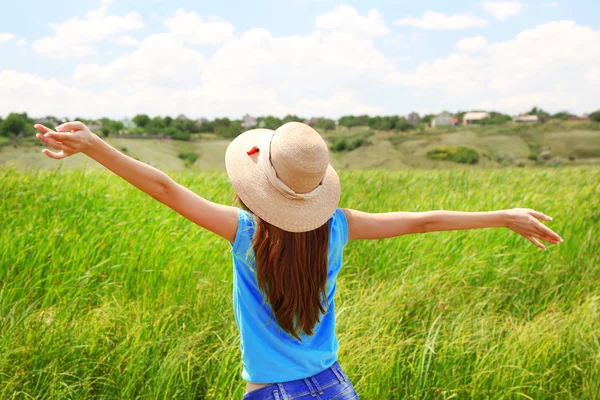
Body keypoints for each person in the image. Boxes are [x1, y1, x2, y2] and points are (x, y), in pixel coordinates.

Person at [34, 121, 562, 399]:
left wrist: (95, 146)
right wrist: (502, 214)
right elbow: (424, 220)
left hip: (272, 393)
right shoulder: (339, 226)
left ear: (261, 188)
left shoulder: (245, 233)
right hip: (334, 385)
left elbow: (166, 187)